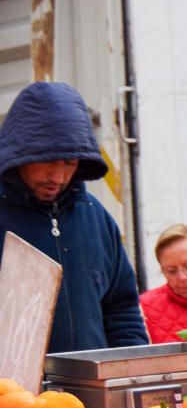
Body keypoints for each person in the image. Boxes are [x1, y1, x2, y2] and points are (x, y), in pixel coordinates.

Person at [0, 82, 149, 353]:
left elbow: (122, 310)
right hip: (11, 393)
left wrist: (130, 373)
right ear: (19, 154)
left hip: (91, 392)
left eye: (69, 163)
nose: (57, 177)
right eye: (48, 161)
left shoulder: (96, 218)